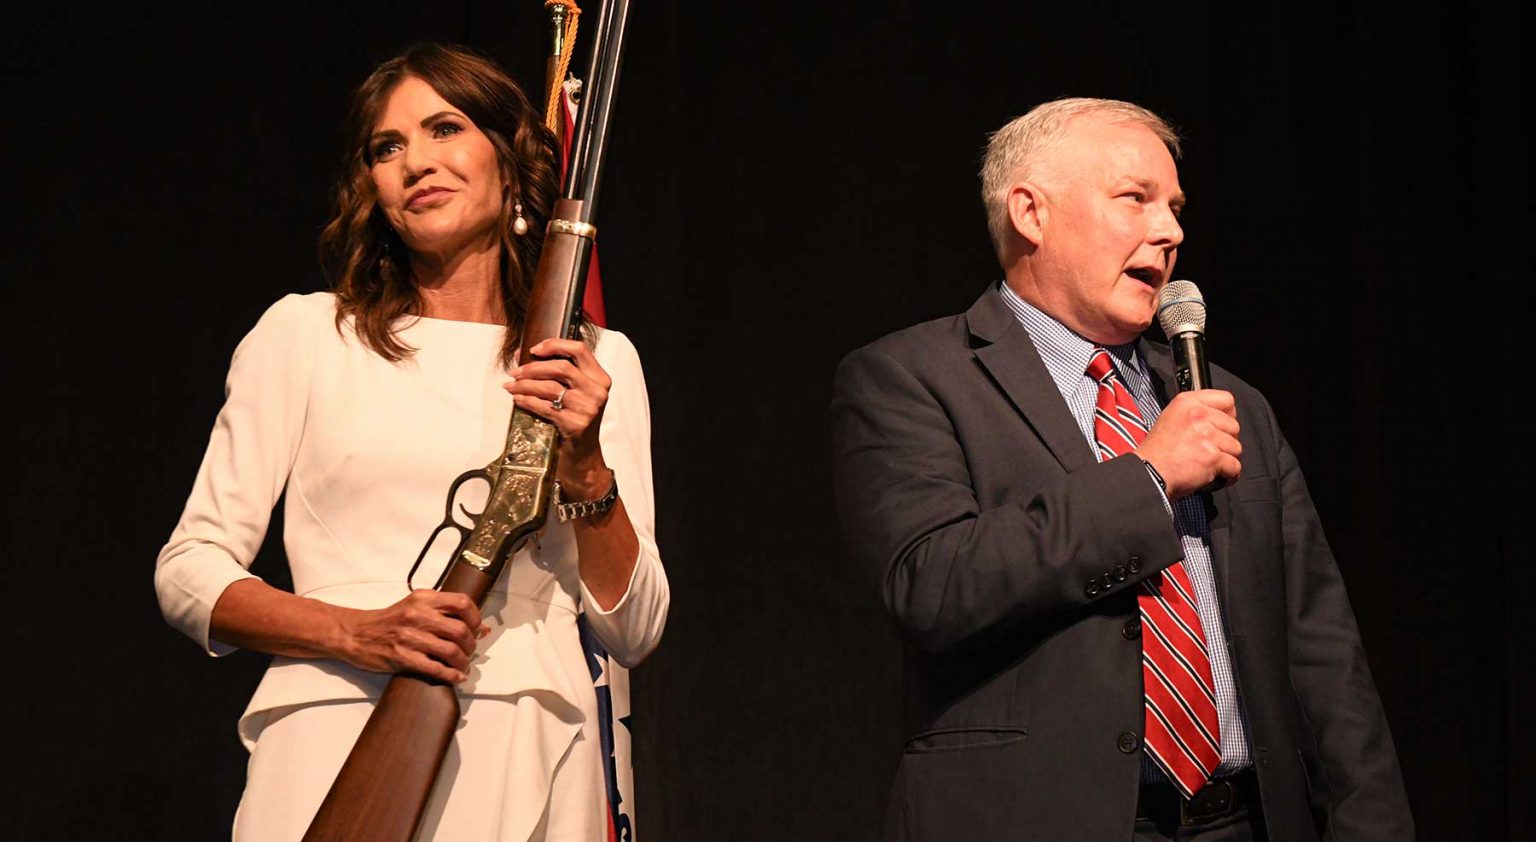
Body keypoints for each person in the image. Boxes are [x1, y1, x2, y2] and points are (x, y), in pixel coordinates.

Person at [830, 98, 1411, 841]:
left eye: (1173, 207)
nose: (1169, 232)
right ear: (1031, 214)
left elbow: (1323, 651)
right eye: (1135, 199)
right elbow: (933, 585)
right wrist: (1148, 478)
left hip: (1243, 823)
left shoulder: (1227, 402)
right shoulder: (910, 378)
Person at [155, 43, 668, 841]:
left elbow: (634, 627)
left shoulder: (599, 360)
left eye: (445, 129)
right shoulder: (306, 335)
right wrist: (356, 630)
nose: (415, 163)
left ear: (511, 159)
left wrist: (586, 466)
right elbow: (190, 572)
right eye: (386, 148)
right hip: (334, 726)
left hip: (534, 735)